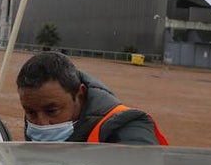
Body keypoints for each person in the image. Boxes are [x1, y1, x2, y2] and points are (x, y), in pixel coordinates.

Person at [15, 51, 168, 145]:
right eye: (31, 113)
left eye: (52, 111)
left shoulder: (130, 127)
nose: (42, 124)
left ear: (79, 95)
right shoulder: (36, 119)